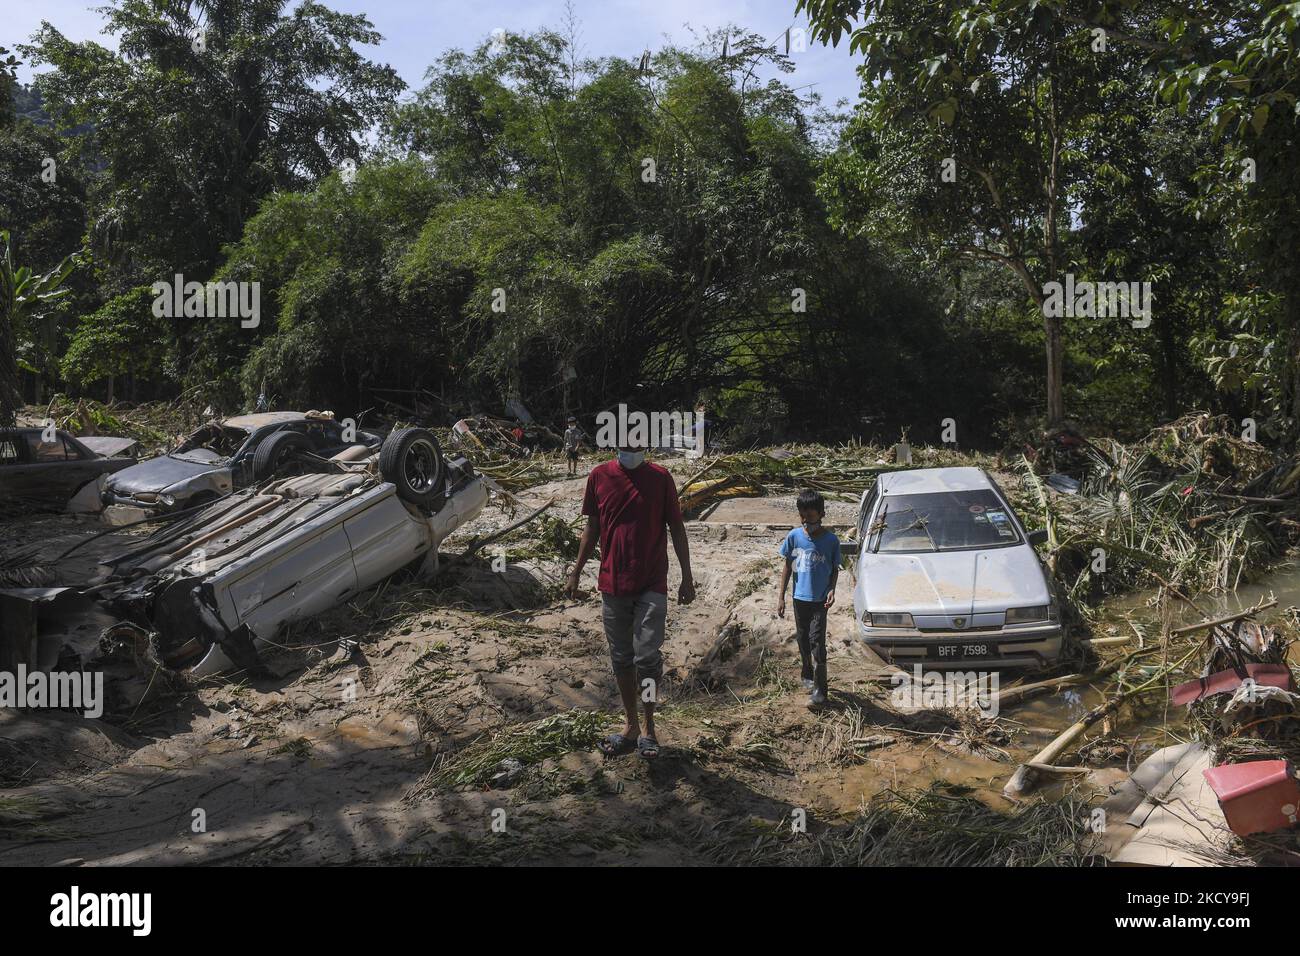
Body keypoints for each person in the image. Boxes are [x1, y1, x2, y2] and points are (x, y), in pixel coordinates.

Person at [565, 441, 695, 759]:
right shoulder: (598, 476)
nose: (631, 445)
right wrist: (575, 571)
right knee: (621, 659)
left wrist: (687, 576)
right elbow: (591, 528)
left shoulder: (661, 478)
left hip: (652, 583)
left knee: (647, 659)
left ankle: (649, 728)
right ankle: (631, 724)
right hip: (612, 584)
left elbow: (676, 527)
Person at [776, 489, 841, 709]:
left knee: (817, 643)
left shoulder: (831, 541)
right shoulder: (794, 537)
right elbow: (787, 567)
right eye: (802, 516)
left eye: (811, 517)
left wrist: (832, 590)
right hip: (798, 599)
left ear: (822, 514)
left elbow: (834, 569)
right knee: (803, 640)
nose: (806, 521)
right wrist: (781, 597)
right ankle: (807, 673)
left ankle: (821, 693)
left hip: (820, 601)